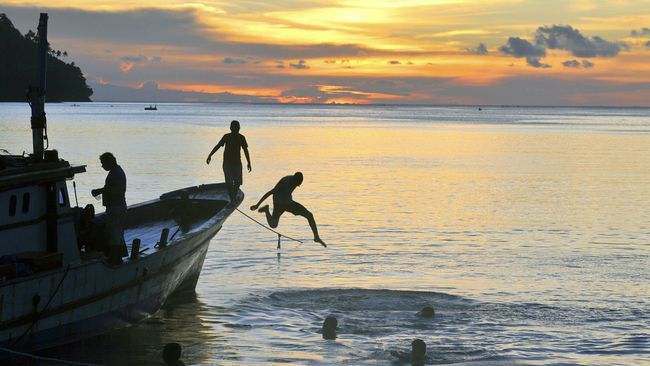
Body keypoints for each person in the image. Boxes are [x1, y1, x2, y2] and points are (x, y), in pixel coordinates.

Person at [250, 172, 326, 247]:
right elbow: (270, 193)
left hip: (288, 203)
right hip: (279, 203)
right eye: (297, 184)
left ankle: (316, 237)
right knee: (273, 225)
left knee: (309, 215)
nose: (297, 186)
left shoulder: (295, 181)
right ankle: (266, 210)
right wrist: (257, 205)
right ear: (294, 179)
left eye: (298, 184)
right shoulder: (284, 183)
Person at [91, 152, 128, 265]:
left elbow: (118, 190)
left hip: (116, 207)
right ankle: (118, 259)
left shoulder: (117, 173)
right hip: (114, 207)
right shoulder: (115, 172)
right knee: (116, 233)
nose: (102, 166)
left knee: (115, 234)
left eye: (103, 163)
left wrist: (101, 190)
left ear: (109, 162)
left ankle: (114, 260)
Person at [206, 120, 251, 205]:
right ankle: (232, 200)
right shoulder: (226, 137)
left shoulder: (241, 137)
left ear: (239, 128)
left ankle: (233, 197)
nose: (236, 129)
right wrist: (210, 155)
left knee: (238, 183)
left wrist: (249, 162)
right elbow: (218, 146)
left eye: (237, 128)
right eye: (234, 128)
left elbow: (245, 150)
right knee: (229, 183)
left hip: (237, 163)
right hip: (227, 163)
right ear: (231, 128)